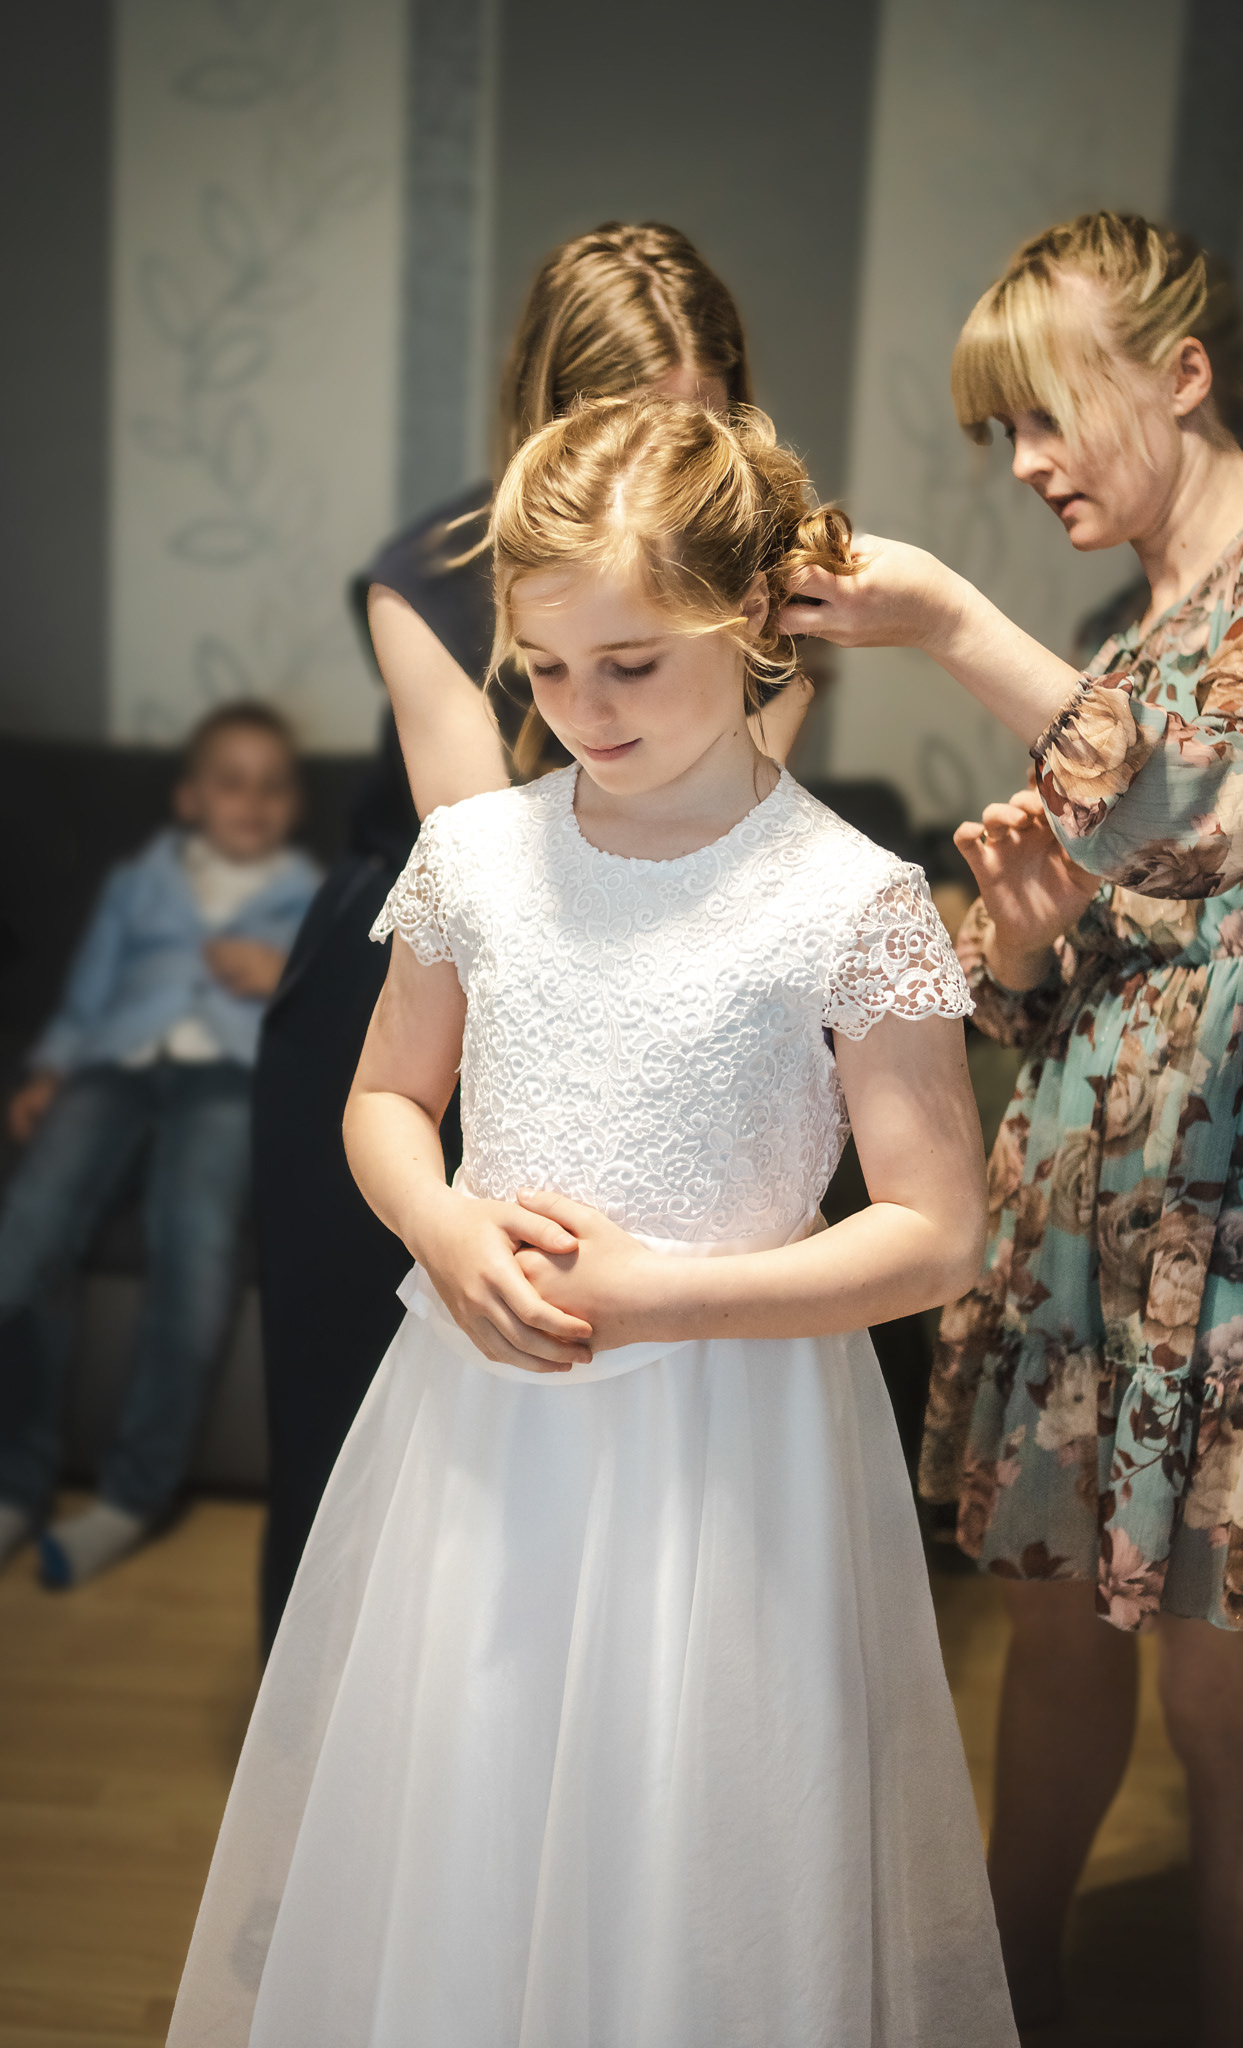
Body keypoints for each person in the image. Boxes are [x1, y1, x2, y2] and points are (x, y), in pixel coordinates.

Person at [167, 394, 1017, 2047]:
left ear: (750, 616)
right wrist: (442, 1228)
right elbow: (384, 1098)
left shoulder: (850, 898)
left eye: (629, 662)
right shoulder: (475, 857)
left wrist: (659, 1293)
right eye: (547, 668)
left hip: (731, 1451)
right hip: (483, 1430)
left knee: (689, 1835)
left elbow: (935, 1233)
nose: (583, 709)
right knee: (469, 1803)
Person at [777, 211, 1243, 2048]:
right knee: (1052, 1648)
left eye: (1046, 416)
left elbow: (1210, 811)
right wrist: (1021, 944)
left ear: (1181, 375)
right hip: (1079, 1218)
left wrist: (952, 619)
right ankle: (998, 1999)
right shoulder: (1127, 627)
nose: (1025, 463)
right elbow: (1051, 986)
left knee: (1229, 1714)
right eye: (1001, 432)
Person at [255, 223, 813, 1645]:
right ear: (549, 413)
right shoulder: (427, 574)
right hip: (439, 958)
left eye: (701, 421)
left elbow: (727, 822)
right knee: (360, 1407)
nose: (665, 463)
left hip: (661, 957)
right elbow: (492, 859)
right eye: (628, 420)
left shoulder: (762, 576)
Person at [0, 703, 319, 1586]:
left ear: (293, 806)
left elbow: (328, 1011)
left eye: (272, 787)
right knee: (27, 1238)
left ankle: (132, 1492)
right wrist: (52, 1067)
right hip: (115, 1068)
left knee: (194, 1248)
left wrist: (281, 972)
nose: (252, 802)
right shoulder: (140, 880)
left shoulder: (308, 893)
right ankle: (16, 1480)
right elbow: (90, 987)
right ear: (190, 798)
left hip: (226, 1076)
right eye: (231, 783)